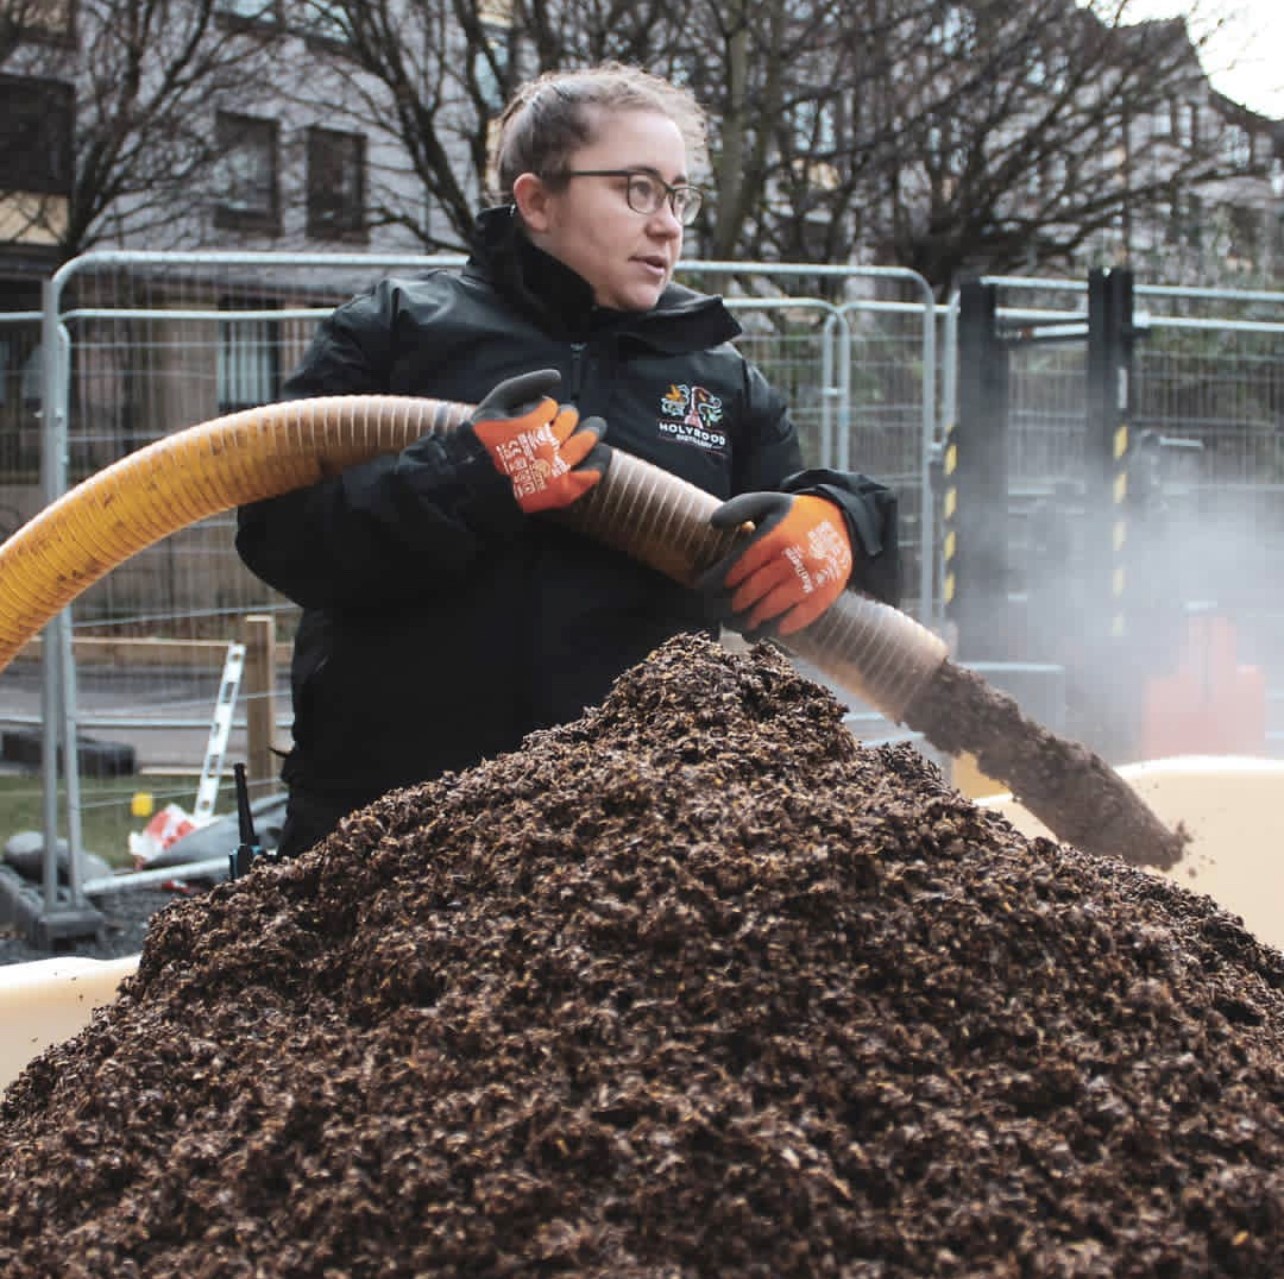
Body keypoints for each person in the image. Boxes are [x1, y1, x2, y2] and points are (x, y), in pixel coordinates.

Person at [236, 62, 901, 860]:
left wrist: (841, 522)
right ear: (537, 201)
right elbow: (277, 530)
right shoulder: (394, 331)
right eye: (637, 189)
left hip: (622, 857)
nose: (667, 225)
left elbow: (840, 589)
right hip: (389, 833)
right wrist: (469, 480)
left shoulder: (720, 382)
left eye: (678, 195)